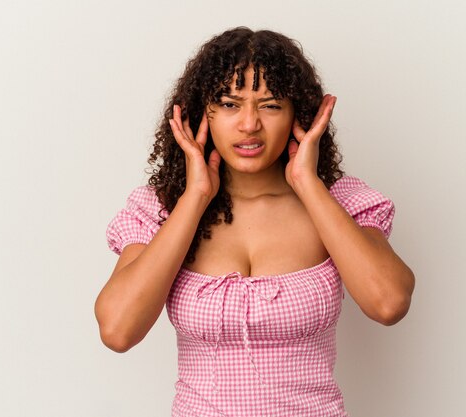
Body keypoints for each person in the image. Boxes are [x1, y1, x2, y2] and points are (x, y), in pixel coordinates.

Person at [95, 27, 415, 417]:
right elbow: (117, 330)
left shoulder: (339, 202)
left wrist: (307, 184)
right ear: (202, 114)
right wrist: (195, 199)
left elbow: (388, 303)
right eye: (230, 104)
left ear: (300, 115)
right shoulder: (161, 211)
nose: (249, 124)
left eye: (271, 105)